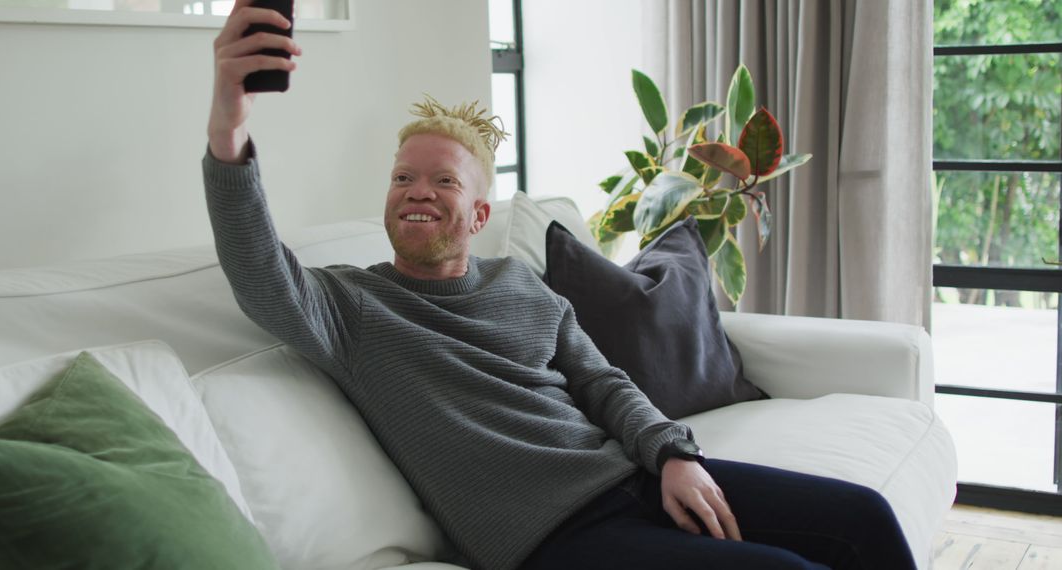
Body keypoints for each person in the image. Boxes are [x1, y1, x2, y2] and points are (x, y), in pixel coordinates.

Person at [203, 3, 917, 569]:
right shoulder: (352, 307)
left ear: (480, 213)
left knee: (864, 521)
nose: (416, 192)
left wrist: (671, 455)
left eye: (442, 180)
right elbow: (257, 267)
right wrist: (230, 120)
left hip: (632, 480)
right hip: (552, 541)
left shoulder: (521, 284)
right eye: (401, 178)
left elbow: (603, 382)